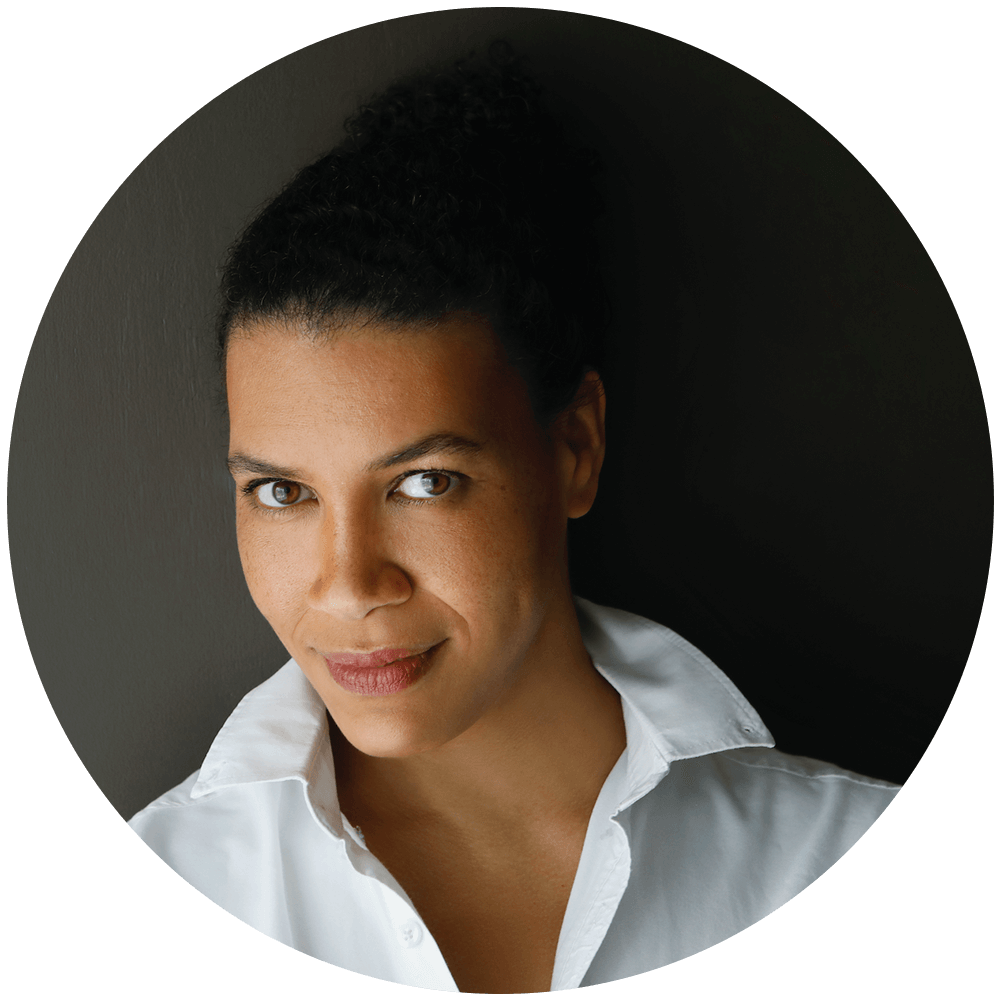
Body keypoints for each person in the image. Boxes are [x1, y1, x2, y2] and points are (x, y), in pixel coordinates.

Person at [128, 40, 900, 991]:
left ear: (574, 449)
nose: (348, 585)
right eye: (282, 492)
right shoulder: (185, 868)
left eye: (424, 482)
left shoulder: (826, 851)